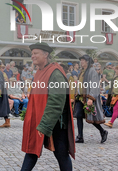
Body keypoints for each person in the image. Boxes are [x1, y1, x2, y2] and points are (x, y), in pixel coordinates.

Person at [21, 43, 75, 171]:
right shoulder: (39, 72)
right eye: (32, 53)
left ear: (46, 55)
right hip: (41, 119)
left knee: (61, 154)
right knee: (32, 151)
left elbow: (56, 101)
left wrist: (45, 125)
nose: (32, 56)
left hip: (55, 122)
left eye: (36, 53)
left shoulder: (55, 73)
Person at [74, 55, 108, 144]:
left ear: (88, 61)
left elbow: (94, 85)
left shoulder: (92, 71)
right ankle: (80, 136)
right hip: (80, 97)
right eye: (81, 60)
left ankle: (102, 131)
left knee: (91, 117)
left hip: (87, 97)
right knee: (78, 116)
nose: (81, 62)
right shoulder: (82, 71)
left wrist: (91, 98)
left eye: (83, 60)